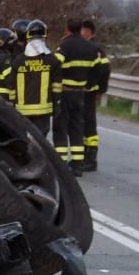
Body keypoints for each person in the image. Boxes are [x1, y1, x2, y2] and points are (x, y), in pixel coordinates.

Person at [52, 18, 101, 174]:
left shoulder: (65, 45)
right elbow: (97, 69)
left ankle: (61, 163)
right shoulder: (91, 47)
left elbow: (55, 65)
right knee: (77, 128)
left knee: (60, 127)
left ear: (67, 28)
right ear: (80, 28)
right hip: (81, 93)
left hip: (65, 92)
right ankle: (77, 164)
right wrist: (87, 85)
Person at [10, 20, 59, 136]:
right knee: (40, 143)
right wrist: (56, 104)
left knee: (24, 141)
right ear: (45, 36)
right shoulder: (52, 60)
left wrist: (12, 103)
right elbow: (57, 86)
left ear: (27, 36)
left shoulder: (18, 61)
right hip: (43, 111)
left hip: (22, 111)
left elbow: (11, 85)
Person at [80, 18, 110, 171]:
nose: (80, 33)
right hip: (84, 91)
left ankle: (91, 158)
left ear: (88, 32)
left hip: (89, 92)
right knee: (83, 123)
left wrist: (99, 89)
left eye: (82, 30)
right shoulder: (86, 47)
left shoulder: (95, 49)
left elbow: (104, 70)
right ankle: (85, 155)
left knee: (89, 124)